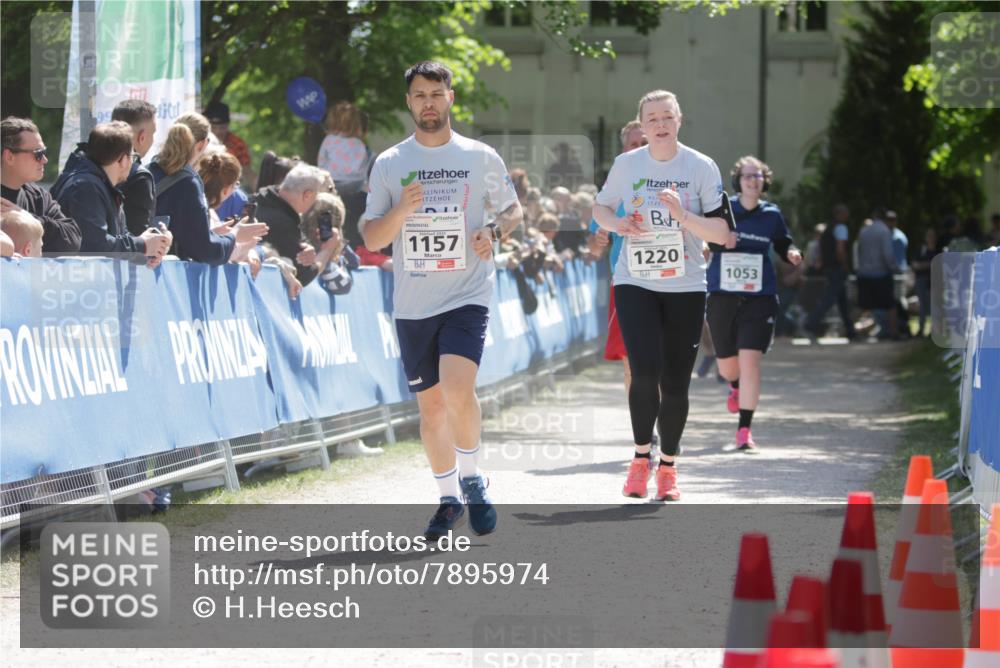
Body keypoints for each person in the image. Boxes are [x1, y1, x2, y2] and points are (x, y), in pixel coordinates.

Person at [360, 61, 523, 538]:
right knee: (430, 410)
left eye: (436, 92)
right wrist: (403, 209)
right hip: (413, 304)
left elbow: (513, 210)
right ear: (409, 103)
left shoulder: (479, 156)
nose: (428, 102)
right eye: (419, 95)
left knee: (456, 389)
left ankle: (473, 480)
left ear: (450, 97)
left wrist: (494, 230)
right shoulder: (390, 163)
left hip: (467, 293)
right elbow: (371, 236)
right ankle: (448, 498)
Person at [592, 89, 731, 502]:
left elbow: (723, 234)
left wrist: (684, 217)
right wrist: (619, 224)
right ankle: (640, 460)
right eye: (651, 118)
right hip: (635, 281)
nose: (659, 124)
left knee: (674, 383)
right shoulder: (626, 165)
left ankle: (668, 466)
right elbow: (599, 209)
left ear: (679, 120)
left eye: (666, 116)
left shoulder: (701, 167)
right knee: (644, 372)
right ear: (642, 123)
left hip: (685, 284)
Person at [707, 156, 802, 452]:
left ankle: (744, 430)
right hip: (723, 294)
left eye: (758, 176)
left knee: (750, 362)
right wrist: (723, 241)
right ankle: (734, 388)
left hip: (759, 296)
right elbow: (707, 240)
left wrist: (792, 253)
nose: (753, 180)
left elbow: (782, 241)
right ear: (739, 180)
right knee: (727, 368)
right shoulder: (725, 209)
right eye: (748, 176)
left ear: (764, 181)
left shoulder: (771, 214)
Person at [149, 112, 266, 265]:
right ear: (203, 144)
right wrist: (234, 235)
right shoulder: (189, 184)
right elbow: (204, 251)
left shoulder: (148, 171)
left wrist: (213, 234)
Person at [51, 121, 172, 266]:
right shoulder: (86, 187)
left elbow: (117, 237)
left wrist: (151, 247)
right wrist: (142, 245)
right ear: (124, 160)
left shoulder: (98, 185)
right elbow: (96, 246)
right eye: (132, 157)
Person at [587, 119, 647, 392]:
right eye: (634, 144)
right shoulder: (614, 189)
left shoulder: (672, 180)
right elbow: (593, 247)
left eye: (644, 144)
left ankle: (658, 416)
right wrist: (599, 240)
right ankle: (646, 427)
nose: (639, 149)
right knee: (631, 359)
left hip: (668, 282)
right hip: (626, 283)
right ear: (623, 149)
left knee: (662, 359)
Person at [0, 116, 81, 253]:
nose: (45, 159)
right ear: (9, 157)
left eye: (44, 152)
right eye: (38, 153)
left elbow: (73, 240)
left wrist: (28, 218)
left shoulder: (38, 197)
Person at [253, 163, 329, 286]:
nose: (315, 201)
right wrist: (327, 250)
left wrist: (308, 248)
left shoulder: (261, 199)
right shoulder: (282, 221)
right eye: (316, 196)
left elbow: (301, 246)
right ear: (307, 195)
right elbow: (303, 276)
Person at [197, 150, 261, 277]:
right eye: (236, 185)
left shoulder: (205, 209)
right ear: (226, 189)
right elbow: (210, 250)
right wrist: (244, 240)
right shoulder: (201, 209)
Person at [805, 204, 856, 339]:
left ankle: (851, 331)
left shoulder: (828, 228)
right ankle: (810, 323)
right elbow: (840, 250)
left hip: (829, 267)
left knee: (842, 300)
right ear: (841, 214)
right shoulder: (841, 228)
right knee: (829, 298)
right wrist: (845, 265)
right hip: (837, 268)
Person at [111, 99, 158, 235]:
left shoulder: (85, 163)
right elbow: (139, 239)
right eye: (153, 133)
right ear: (142, 137)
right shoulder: (139, 177)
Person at [855, 207, 899, 339]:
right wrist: (892, 267)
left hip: (864, 273)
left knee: (862, 305)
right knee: (890, 305)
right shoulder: (884, 231)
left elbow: (859, 252)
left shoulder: (863, 230)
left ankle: (852, 330)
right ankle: (894, 333)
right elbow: (887, 254)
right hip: (881, 273)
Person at [317, 101, 370, 195]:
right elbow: (364, 165)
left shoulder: (329, 140)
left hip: (332, 181)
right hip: (356, 183)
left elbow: (321, 161)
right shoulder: (359, 143)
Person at [203, 101, 255, 188]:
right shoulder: (200, 143)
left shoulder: (238, 144)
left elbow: (247, 172)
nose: (218, 131)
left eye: (222, 127)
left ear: (228, 125)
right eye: (214, 127)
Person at [911, 226, 940, 337]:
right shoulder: (921, 250)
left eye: (933, 236)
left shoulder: (939, 250)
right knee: (922, 305)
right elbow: (915, 265)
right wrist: (929, 264)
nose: (931, 238)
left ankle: (933, 331)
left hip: (935, 282)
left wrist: (926, 265)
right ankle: (921, 329)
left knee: (934, 306)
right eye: (929, 236)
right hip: (922, 280)